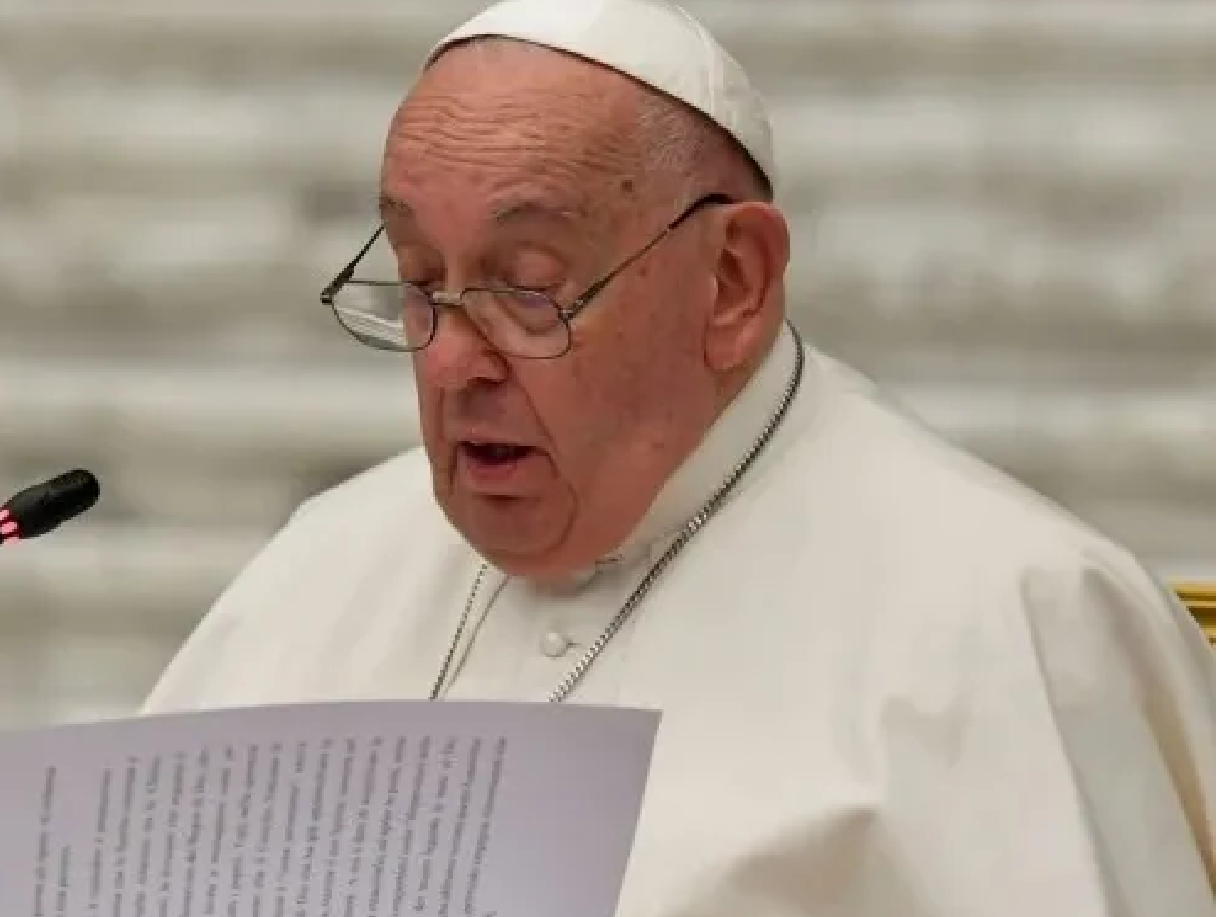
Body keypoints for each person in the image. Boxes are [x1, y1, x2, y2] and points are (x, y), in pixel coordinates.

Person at [140, 0, 1216, 913]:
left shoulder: (1009, 614)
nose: (453, 359)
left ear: (733, 280)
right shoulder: (322, 566)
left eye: (527, 285)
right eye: (421, 281)